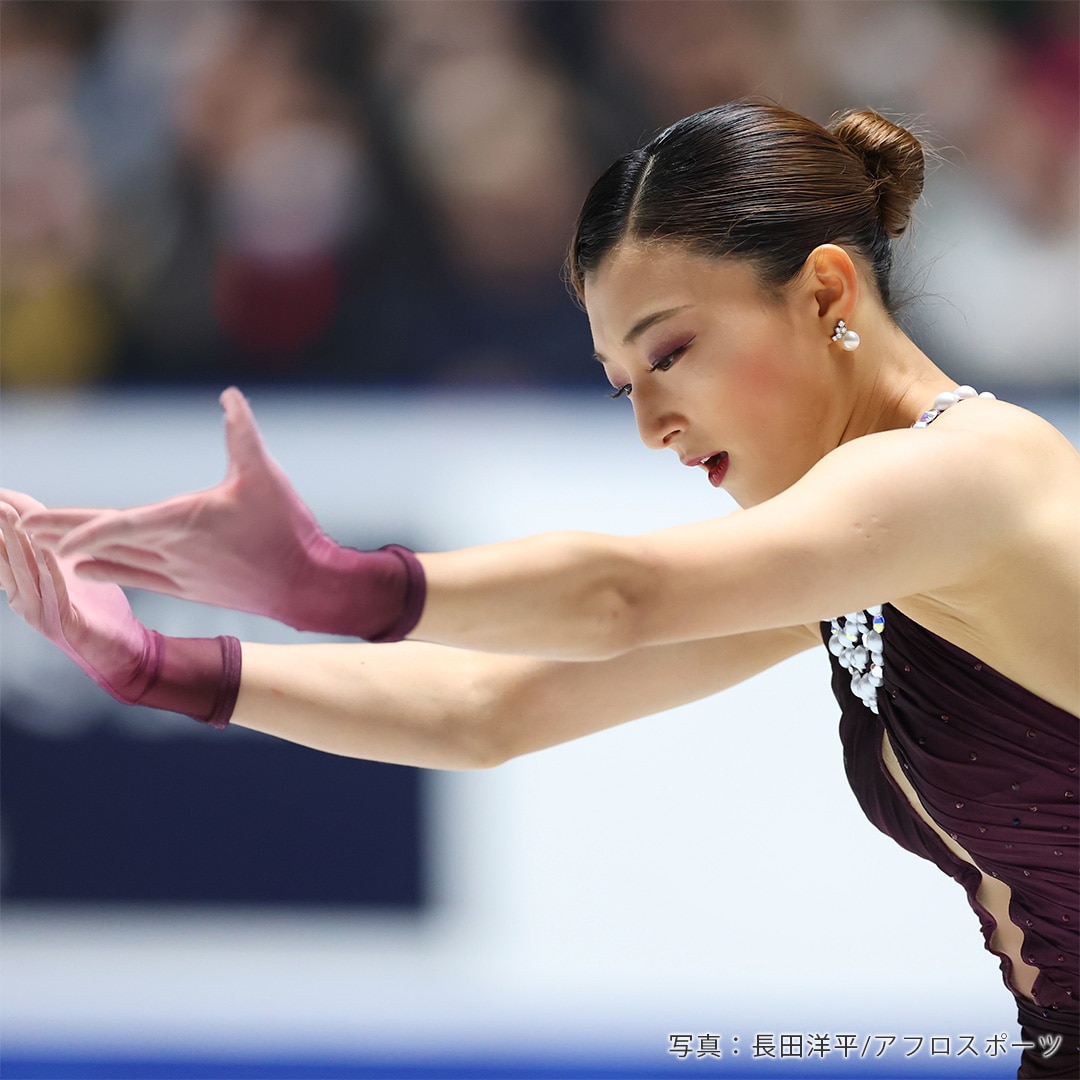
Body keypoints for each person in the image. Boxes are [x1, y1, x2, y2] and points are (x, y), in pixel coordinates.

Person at [1, 100, 1076, 1078]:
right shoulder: (867, 549)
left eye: (673, 353)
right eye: (625, 387)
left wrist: (335, 582)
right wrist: (164, 668)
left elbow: (624, 596)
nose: (655, 426)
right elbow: (493, 711)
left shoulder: (966, 475)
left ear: (827, 290)